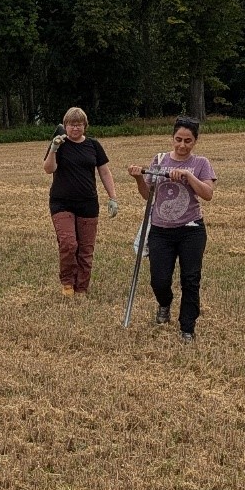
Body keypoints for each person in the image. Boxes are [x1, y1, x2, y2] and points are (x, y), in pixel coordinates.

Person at [130, 116, 216, 342]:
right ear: (172, 138)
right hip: (160, 230)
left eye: (188, 141)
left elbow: (207, 194)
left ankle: (187, 327)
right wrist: (139, 178)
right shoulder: (159, 160)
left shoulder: (201, 164)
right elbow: (147, 195)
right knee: (159, 280)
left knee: (190, 279)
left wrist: (188, 176)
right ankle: (164, 303)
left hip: (191, 229)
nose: (182, 145)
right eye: (178, 139)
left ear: (195, 141)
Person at [42, 107, 119, 298]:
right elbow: (48, 169)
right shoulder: (59, 144)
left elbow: (104, 171)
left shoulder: (93, 146)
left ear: (85, 126)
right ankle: (67, 283)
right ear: (65, 126)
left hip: (88, 203)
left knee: (85, 249)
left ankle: (82, 288)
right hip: (61, 203)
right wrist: (53, 149)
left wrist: (113, 197)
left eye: (78, 124)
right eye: (71, 124)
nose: (75, 128)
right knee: (68, 243)